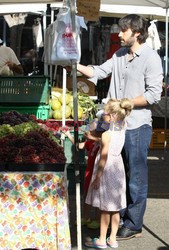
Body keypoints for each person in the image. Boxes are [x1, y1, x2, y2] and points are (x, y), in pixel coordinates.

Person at [77, 14, 163, 240]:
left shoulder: (151, 58)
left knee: (136, 176)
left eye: (123, 30)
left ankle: (134, 224)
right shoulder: (119, 54)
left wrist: (125, 103)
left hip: (136, 125)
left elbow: (154, 94)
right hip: (115, 126)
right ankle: (119, 217)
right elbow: (99, 72)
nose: (119, 34)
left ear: (136, 33)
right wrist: (73, 65)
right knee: (119, 174)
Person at [85, 98, 133, 248]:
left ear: (112, 116)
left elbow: (104, 156)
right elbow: (106, 138)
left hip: (107, 170)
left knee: (105, 208)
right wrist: (94, 137)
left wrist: (98, 176)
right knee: (116, 208)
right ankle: (112, 239)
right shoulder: (123, 125)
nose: (102, 115)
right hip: (118, 168)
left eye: (105, 113)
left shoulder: (107, 134)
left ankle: (101, 239)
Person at [61, 120, 102, 229]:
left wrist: (92, 137)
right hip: (89, 172)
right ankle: (86, 217)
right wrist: (69, 135)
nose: (89, 131)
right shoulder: (90, 142)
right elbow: (79, 145)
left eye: (91, 129)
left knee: (98, 196)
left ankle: (98, 220)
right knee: (86, 194)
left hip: (98, 173)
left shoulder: (102, 141)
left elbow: (103, 142)